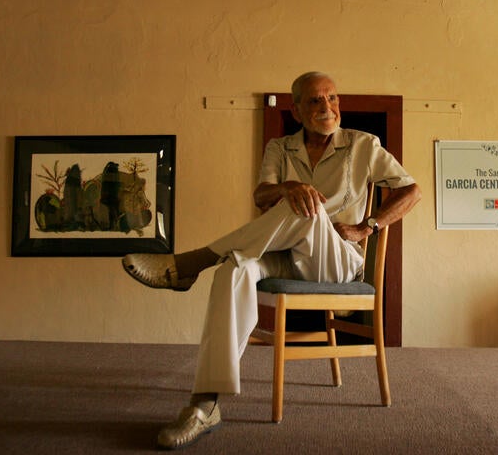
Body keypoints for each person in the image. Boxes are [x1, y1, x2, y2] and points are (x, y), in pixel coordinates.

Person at [121, 71, 421, 449]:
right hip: (285, 253)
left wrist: (367, 227)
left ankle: (191, 263)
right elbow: (262, 197)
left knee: (305, 205)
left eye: (332, 98)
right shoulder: (280, 148)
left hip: (338, 260)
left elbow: (412, 191)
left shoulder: (364, 144)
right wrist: (286, 187)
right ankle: (204, 404)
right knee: (234, 270)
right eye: (314, 101)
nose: (326, 107)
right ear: (296, 110)